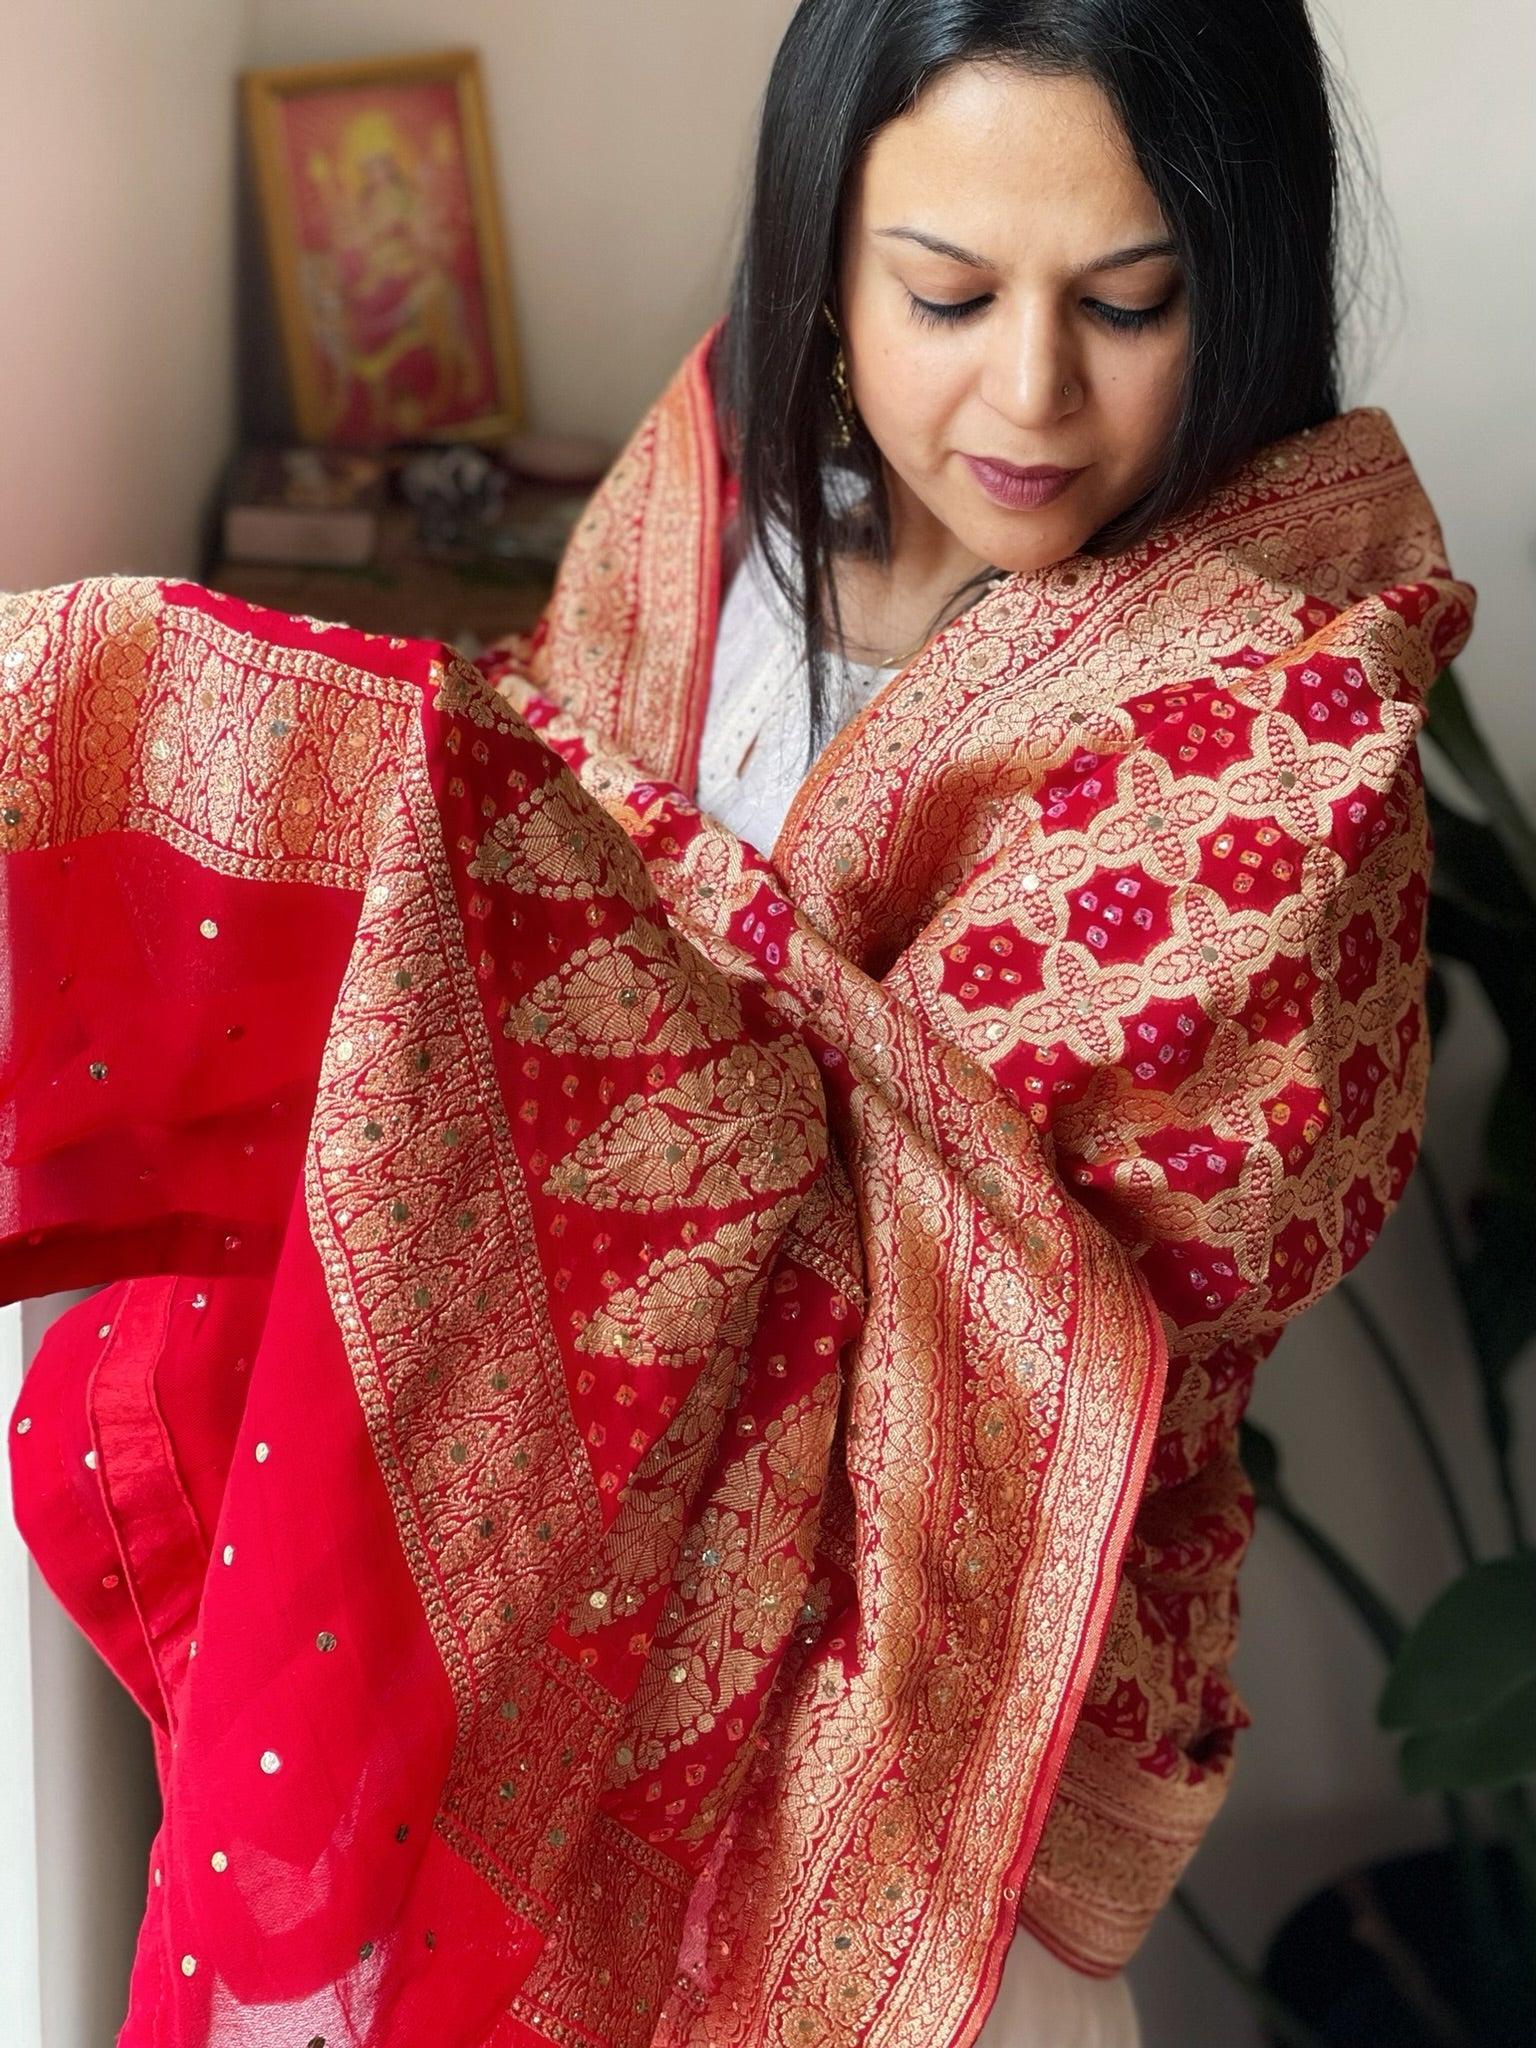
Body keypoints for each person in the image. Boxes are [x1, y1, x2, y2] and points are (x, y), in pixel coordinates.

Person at [1, 2, 1470, 2045]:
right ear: (823, 250)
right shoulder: (717, 501)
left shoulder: (1282, 727)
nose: (1029, 389)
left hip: (942, 1783)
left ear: (1251, 281)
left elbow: (1059, 1265)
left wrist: (589, 956)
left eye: (1132, 302)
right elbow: (555, 780)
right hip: (566, 1623)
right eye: (944, 291)